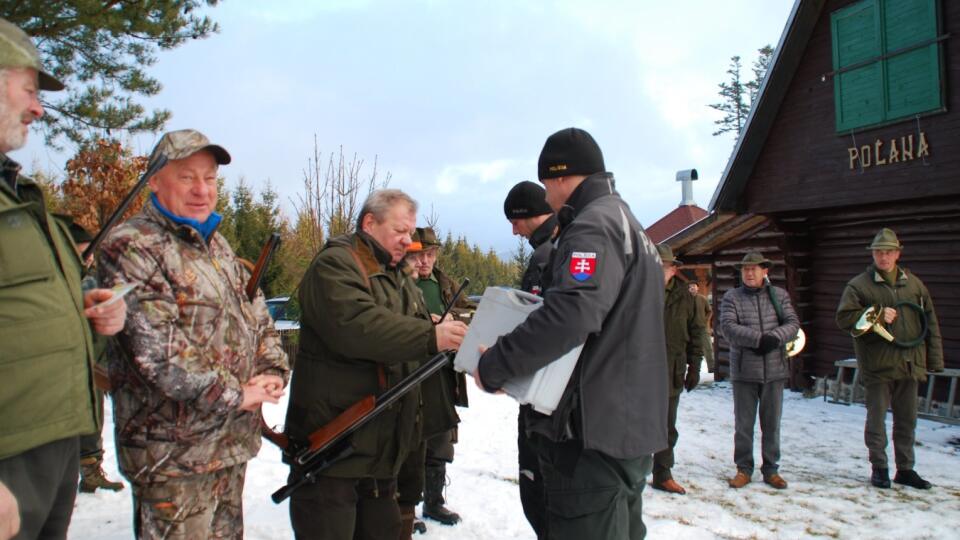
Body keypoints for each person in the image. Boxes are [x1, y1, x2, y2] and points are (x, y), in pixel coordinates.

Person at [475, 128, 667, 540]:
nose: (546, 193)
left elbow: (570, 314)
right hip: (626, 426)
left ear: (561, 176)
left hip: (591, 435)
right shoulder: (628, 223)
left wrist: (495, 364)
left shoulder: (593, 226)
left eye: (546, 183)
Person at [97, 129, 290, 539]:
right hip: (171, 458)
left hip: (227, 447)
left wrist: (271, 367)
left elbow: (257, 315)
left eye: (210, 179)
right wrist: (240, 394)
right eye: (187, 177)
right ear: (153, 180)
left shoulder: (216, 248)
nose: (202, 190)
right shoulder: (132, 246)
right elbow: (159, 354)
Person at [0, 17, 127, 539]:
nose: (38, 107)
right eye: (29, 89)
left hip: (49, 446)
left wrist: (87, 305)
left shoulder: (21, 197)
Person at [283, 189, 468, 540]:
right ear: (369, 223)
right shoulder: (335, 264)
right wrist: (431, 336)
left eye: (411, 232)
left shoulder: (396, 273)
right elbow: (357, 327)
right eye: (400, 231)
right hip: (335, 449)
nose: (407, 240)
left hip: (382, 454)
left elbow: (411, 335)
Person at [835, 228, 943, 490]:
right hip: (879, 363)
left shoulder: (914, 284)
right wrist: (876, 315)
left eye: (888, 252)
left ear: (897, 253)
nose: (883, 257)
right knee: (877, 420)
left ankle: (905, 469)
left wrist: (934, 360)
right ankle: (880, 467)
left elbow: (930, 322)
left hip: (910, 362)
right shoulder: (859, 285)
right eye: (879, 252)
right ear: (873, 254)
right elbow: (844, 319)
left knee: (907, 420)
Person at [396, 227, 471, 535]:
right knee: (410, 441)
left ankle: (434, 501)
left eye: (430, 254)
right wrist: (427, 326)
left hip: (443, 373)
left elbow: (470, 313)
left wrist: (453, 320)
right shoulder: (398, 283)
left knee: (440, 439)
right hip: (410, 374)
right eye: (418, 255)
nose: (424, 261)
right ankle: (405, 508)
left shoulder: (445, 284)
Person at [503, 180, 556, 537]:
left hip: (547, 400)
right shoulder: (548, 248)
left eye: (515, 220)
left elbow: (547, 325)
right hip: (541, 393)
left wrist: (502, 363)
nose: (513, 229)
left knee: (541, 492)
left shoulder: (551, 254)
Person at [719, 252, 799, 490]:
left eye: (754, 269)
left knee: (772, 424)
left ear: (765, 271)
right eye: (745, 269)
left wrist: (774, 338)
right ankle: (743, 469)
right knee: (744, 425)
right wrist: (758, 339)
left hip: (775, 370)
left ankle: (771, 469)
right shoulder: (732, 297)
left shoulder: (779, 296)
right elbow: (728, 327)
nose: (749, 273)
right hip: (745, 370)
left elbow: (793, 323)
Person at [58, 218, 126, 493]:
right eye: (81, 253)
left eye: (89, 253)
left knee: (93, 420)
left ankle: (90, 472)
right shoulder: (59, 279)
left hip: (96, 362)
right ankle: (61, 476)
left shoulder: (96, 277)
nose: (86, 260)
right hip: (65, 366)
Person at [652, 244, 705, 495]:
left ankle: (663, 473)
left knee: (666, 426)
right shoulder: (637, 293)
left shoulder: (688, 299)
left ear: (673, 269)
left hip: (672, 370)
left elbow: (697, 334)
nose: (658, 270)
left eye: (663, 266)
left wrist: (694, 367)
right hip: (639, 372)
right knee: (633, 422)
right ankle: (627, 471)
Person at [689, 281, 715, 373]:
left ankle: (711, 367)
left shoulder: (702, 299)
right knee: (691, 349)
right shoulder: (685, 300)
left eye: (694, 286)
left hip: (702, 328)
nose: (692, 288)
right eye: (690, 287)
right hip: (690, 328)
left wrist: (705, 320)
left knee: (708, 347)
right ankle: (692, 369)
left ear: (697, 288)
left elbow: (709, 311)